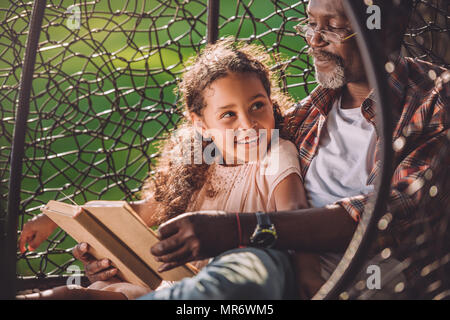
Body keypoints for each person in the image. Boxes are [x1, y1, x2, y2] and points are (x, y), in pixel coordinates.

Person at [17, 39, 311, 299]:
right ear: (201, 124)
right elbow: (139, 213)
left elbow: (296, 218)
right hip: (175, 284)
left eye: (257, 106)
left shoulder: (275, 154)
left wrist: (311, 280)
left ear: (272, 103)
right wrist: (57, 218)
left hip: (231, 287)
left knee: (91, 295)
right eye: (228, 114)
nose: (248, 124)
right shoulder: (199, 162)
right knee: (98, 289)